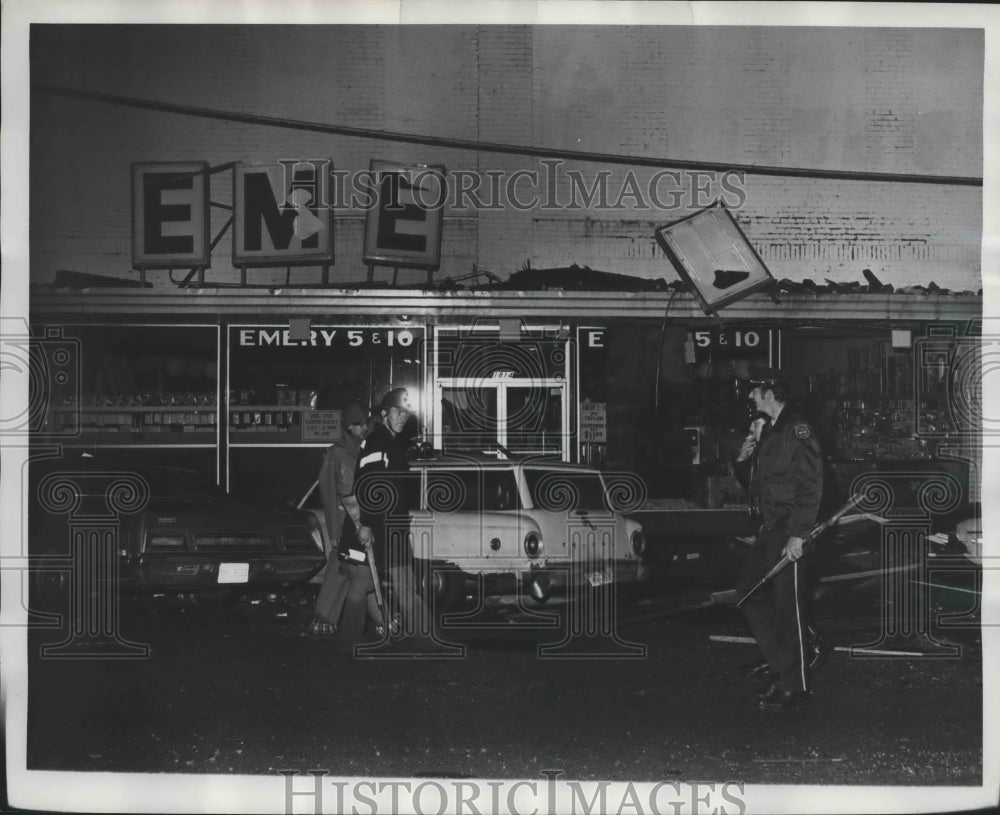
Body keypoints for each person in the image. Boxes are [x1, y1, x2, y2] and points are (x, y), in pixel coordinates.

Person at [734, 367, 823, 710]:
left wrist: (799, 535)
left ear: (769, 393)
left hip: (790, 530)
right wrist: (743, 459)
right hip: (771, 529)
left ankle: (794, 686)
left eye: (754, 391)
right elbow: (759, 484)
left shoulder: (797, 431)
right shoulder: (770, 430)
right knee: (747, 594)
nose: (750, 396)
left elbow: (811, 487)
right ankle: (783, 669)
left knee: (789, 610)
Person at [353, 387, 437, 649]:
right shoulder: (379, 442)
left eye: (406, 413)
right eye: (397, 411)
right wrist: (367, 524)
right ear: (384, 414)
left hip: (393, 527)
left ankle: (382, 631)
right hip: (384, 528)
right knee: (402, 586)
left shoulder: (389, 442)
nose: (403, 417)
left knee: (373, 584)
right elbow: (370, 485)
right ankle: (426, 640)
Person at [309, 401, 373, 635]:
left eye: (365, 423)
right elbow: (327, 493)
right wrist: (334, 530)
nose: (364, 428)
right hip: (345, 520)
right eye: (359, 424)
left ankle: (326, 619)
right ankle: (326, 618)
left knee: (350, 569)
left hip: (359, 520)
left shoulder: (364, 451)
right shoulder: (335, 453)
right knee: (348, 569)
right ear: (349, 427)